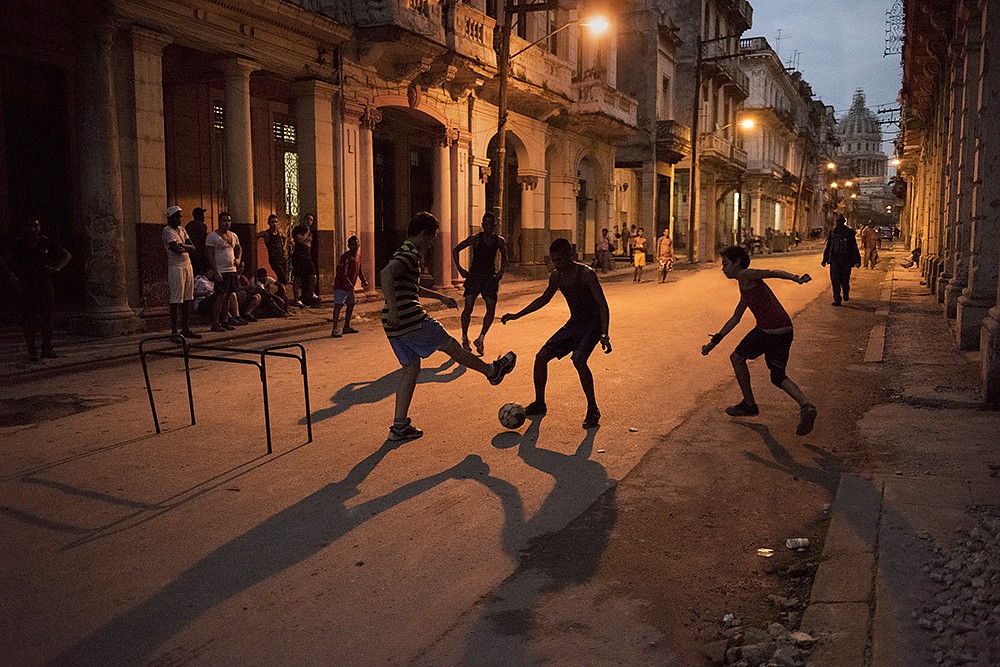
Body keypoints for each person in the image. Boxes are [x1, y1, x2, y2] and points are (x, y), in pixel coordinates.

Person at [381, 212, 516, 442]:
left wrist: (440, 298)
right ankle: (492, 372)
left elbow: (412, 288)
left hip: (394, 325)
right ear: (423, 235)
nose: (431, 244)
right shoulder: (410, 252)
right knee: (451, 346)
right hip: (408, 317)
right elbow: (386, 274)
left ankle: (399, 425)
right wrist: (394, 308)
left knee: (411, 368)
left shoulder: (404, 249)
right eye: (431, 239)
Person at [701, 245, 817, 436]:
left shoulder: (746, 275)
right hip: (785, 329)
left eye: (725, 264)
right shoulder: (745, 286)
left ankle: (749, 404)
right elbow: (735, 318)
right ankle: (806, 406)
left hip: (769, 329)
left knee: (737, 358)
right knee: (777, 376)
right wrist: (713, 343)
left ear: (737, 262)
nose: (723, 269)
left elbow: (771, 272)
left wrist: (796, 279)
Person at [500, 237, 612, 429]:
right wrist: (517, 315)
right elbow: (544, 299)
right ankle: (539, 403)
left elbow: (602, 304)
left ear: (570, 256)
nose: (556, 264)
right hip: (573, 324)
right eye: (553, 260)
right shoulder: (556, 276)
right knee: (541, 356)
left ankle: (593, 409)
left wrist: (604, 333)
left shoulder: (586, 274)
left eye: (559, 259)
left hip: (592, 326)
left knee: (578, 359)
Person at [5, 219, 71, 362]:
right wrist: (11, 275)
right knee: (29, 317)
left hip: (43, 282)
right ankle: (31, 349)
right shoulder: (18, 244)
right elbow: (4, 259)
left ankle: (47, 347)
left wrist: (57, 267)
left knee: (47, 316)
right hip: (26, 284)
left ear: (40, 227)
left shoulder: (45, 242)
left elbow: (66, 255)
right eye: (30, 226)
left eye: (36, 226)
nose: (33, 229)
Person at [452, 211, 508, 355]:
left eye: (491, 224)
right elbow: (456, 249)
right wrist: (460, 269)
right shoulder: (476, 239)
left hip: (490, 278)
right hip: (475, 277)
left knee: (491, 310)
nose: (488, 227)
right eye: (486, 224)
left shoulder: (499, 240)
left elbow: (505, 256)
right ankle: (464, 338)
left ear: (495, 225)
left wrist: (501, 272)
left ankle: (481, 338)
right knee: (468, 308)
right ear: (482, 225)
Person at [162, 205, 201, 339]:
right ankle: (174, 331)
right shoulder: (167, 231)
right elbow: (175, 250)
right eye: (177, 216)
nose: (179, 219)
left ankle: (185, 328)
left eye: (180, 216)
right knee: (176, 299)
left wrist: (183, 245)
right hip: (175, 267)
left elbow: (193, 247)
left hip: (187, 265)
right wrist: (184, 247)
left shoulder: (182, 230)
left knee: (187, 298)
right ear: (170, 218)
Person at [205, 211, 244, 331]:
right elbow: (209, 255)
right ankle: (215, 322)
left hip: (231, 270)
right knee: (220, 296)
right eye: (224, 220)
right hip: (221, 271)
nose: (227, 223)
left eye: (229, 221)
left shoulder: (233, 235)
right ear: (219, 221)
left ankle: (225, 320)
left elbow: (239, 248)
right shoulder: (212, 236)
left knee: (228, 296)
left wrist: (238, 259)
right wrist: (215, 271)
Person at [331, 235, 369, 337]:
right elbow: (340, 271)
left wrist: (363, 280)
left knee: (351, 304)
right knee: (338, 306)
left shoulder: (358, 257)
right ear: (348, 246)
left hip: (350, 286)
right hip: (341, 286)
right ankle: (335, 328)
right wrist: (346, 282)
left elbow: (359, 270)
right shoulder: (345, 257)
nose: (355, 247)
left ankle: (346, 326)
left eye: (356, 245)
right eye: (352, 245)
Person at [822, 214, 861, 306]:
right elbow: (829, 246)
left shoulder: (849, 232)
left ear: (843, 222)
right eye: (837, 222)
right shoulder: (832, 232)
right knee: (835, 280)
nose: (838, 224)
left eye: (840, 222)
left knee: (845, 280)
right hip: (835, 260)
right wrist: (825, 259)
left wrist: (857, 261)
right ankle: (837, 298)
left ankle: (845, 293)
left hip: (846, 260)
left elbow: (853, 247)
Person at [291, 224, 320, 307]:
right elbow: (299, 240)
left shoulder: (309, 234)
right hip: (299, 257)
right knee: (297, 278)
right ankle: (297, 299)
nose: (309, 222)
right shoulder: (298, 231)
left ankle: (310, 293)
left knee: (313, 276)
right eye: (307, 220)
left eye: (311, 220)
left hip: (307, 257)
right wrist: (307, 232)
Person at [256, 214, 289, 285]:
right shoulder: (266, 234)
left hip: (282, 257)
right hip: (274, 259)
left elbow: (285, 237)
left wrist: (284, 247)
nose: (274, 224)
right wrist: (255, 224)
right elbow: (256, 235)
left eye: (276, 222)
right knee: (283, 278)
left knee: (281, 279)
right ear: (268, 223)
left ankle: (281, 294)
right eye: (272, 222)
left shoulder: (279, 232)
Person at [186, 207, 208, 275]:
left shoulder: (189, 225)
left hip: (191, 253)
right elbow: (204, 240)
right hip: (200, 253)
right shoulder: (202, 226)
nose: (204, 217)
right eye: (202, 215)